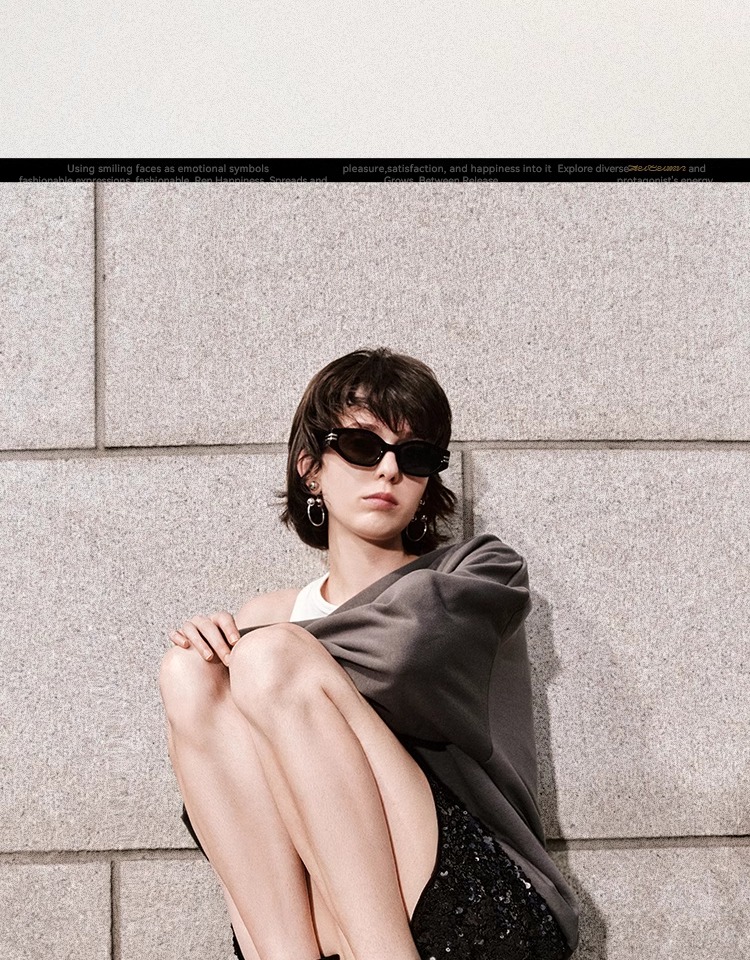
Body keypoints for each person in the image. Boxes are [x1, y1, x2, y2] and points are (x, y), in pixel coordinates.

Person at [158, 347, 580, 960]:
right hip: (325, 908)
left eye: (414, 456)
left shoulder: (478, 570)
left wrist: (252, 655)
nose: (388, 471)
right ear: (311, 469)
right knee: (188, 673)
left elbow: (405, 654)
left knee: (268, 662)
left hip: (479, 899)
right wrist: (220, 663)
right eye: (362, 446)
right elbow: (234, 803)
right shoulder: (266, 622)